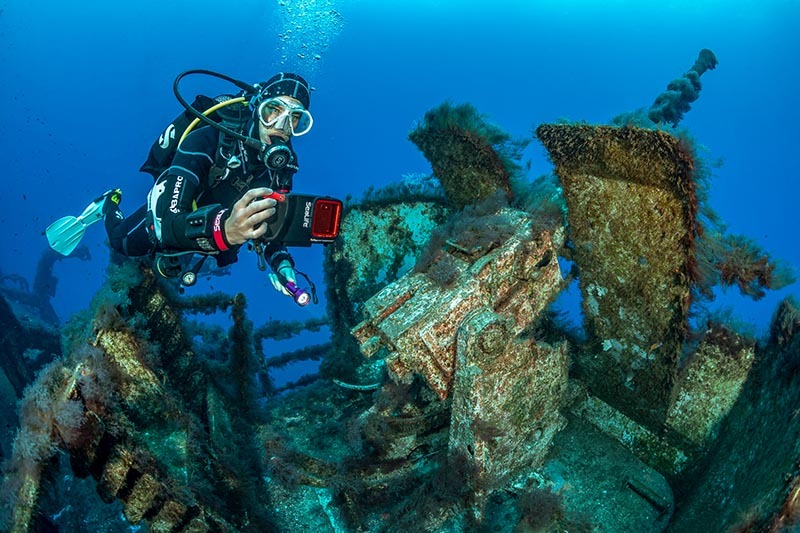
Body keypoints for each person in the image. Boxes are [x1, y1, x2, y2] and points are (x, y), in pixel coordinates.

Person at [93, 72, 313, 298]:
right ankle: (108, 204)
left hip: (210, 235)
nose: (282, 125)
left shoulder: (282, 168)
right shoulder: (207, 139)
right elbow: (168, 222)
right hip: (177, 210)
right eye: (273, 110)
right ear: (258, 108)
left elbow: (271, 225)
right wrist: (225, 231)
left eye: (295, 117)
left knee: (177, 265)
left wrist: (282, 264)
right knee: (122, 243)